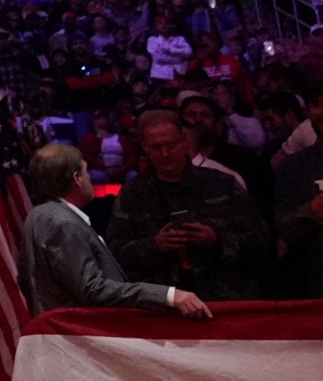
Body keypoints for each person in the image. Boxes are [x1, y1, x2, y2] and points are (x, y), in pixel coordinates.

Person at [18, 143, 210, 317]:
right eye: (86, 171)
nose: (90, 177)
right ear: (77, 178)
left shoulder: (39, 215)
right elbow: (92, 289)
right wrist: (167, 295)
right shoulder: (61, 221)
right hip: (80, 337)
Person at [102, 110, 265, 300]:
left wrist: (216, 241)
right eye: (156, 148)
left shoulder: (222, 185)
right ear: (145, 147)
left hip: (225, 297)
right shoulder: (133, 195)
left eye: (171, 145)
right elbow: (115, 254)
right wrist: (154, 245)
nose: (165, 154)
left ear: (183, 140)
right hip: (165, 304)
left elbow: (260, 243)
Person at [271, 76, 323, 297]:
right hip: (319, 285)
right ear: (308, 114)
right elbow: (285, 229)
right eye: (317, 105)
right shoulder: (292, 166)